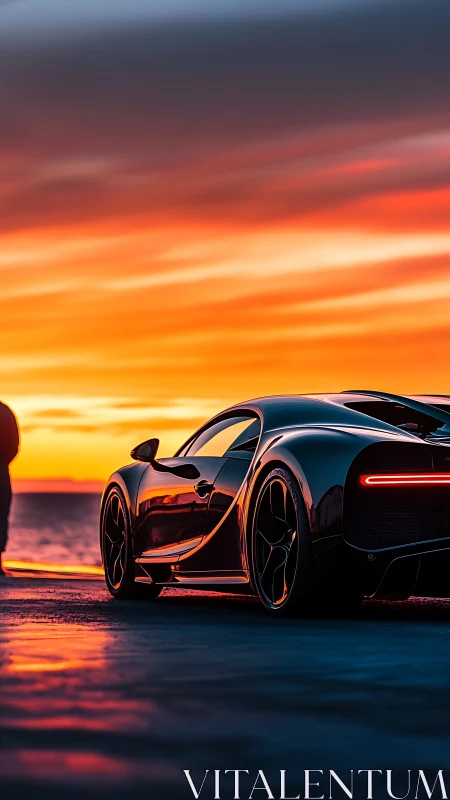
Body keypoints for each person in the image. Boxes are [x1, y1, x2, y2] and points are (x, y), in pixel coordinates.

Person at [0, 401, 20, 575]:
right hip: (1, 469)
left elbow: (14, 445)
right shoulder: (5, 412)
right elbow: (14, 445)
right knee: (1, 515)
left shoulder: (5, 412)